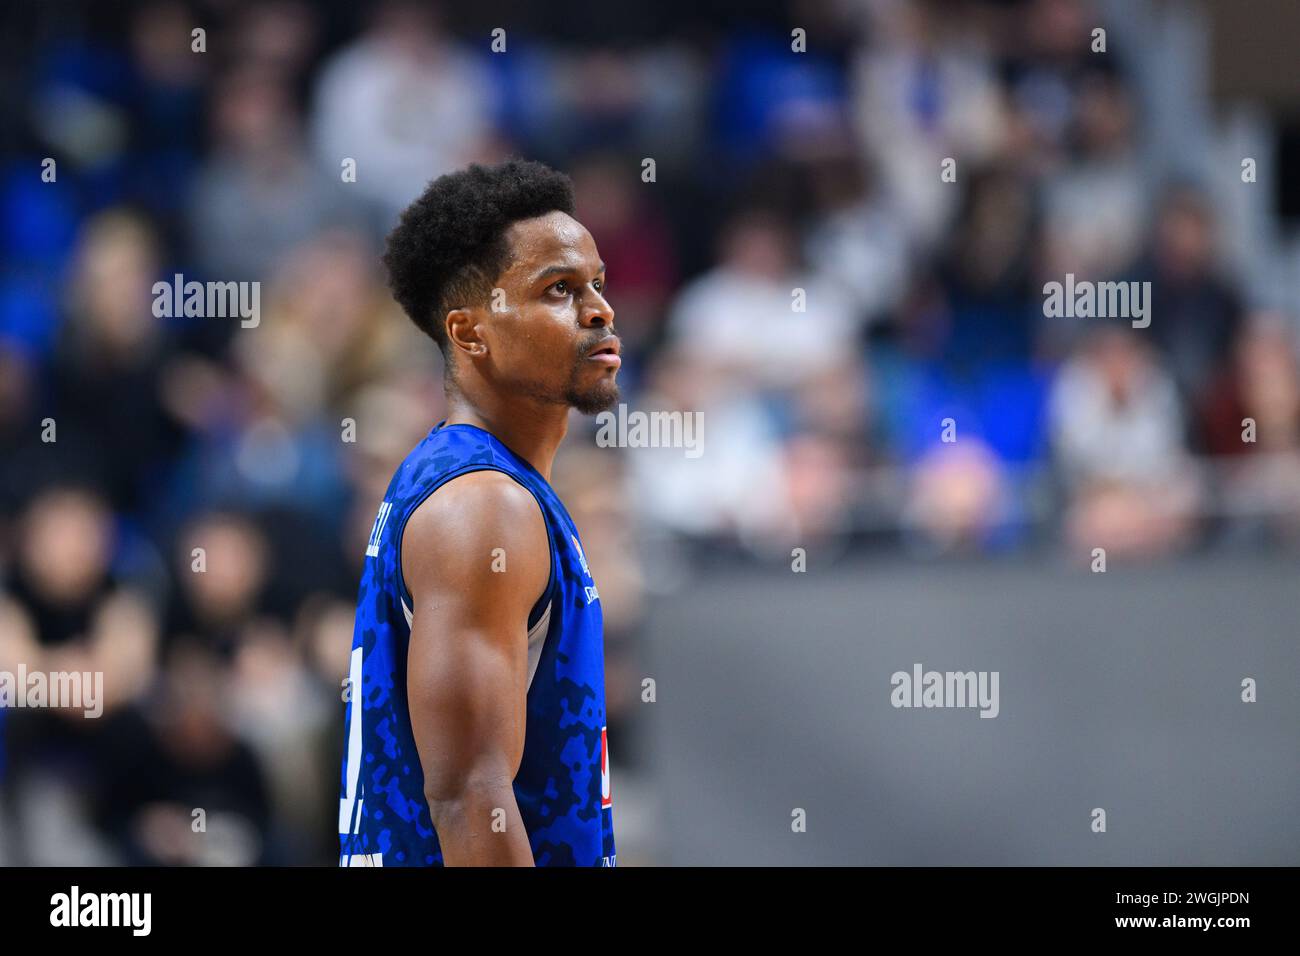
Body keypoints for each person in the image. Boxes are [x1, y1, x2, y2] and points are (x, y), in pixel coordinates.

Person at [338, 159, 620, 866]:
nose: (598, 309)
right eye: (558, 289)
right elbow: (468, 794)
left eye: (597, 283)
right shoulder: (483, 506)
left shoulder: (475, 481)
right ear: (470, 334)